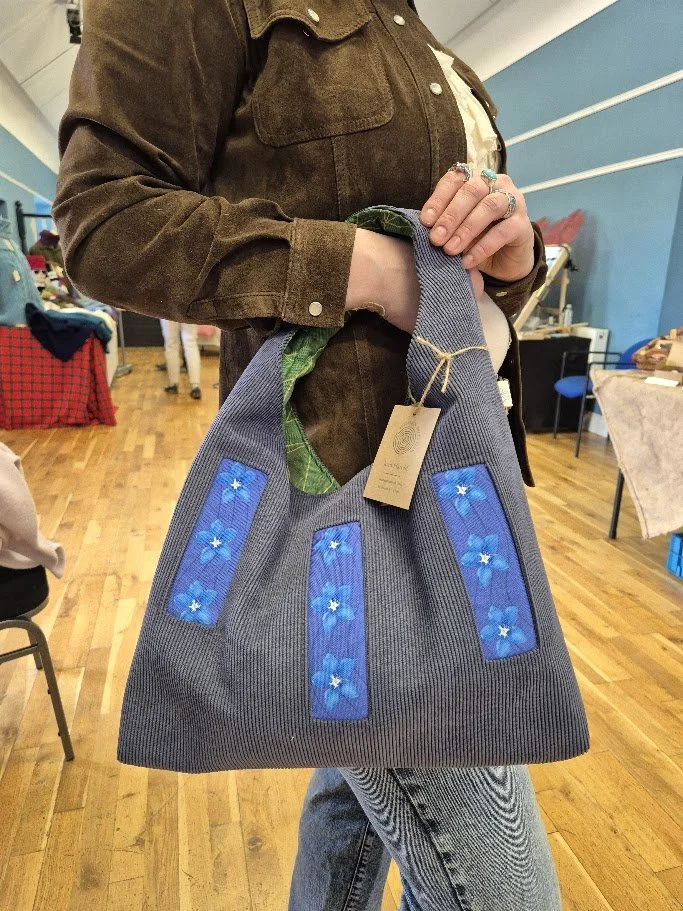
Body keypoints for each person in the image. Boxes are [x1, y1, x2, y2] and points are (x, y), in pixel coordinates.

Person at [54, 1, 559, 907]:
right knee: (500, 885)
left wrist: (508, 257)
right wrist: (367, 268)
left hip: (454, 479)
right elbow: (104, 221)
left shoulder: (403, 19)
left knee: (353, 793)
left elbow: (462, 279)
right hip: (350, 496)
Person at [159, 318, 202, 399]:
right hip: (189, 311)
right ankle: (195, 386)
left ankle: (173, 384)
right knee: (190, 343)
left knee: (171, 344)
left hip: (168, 310)